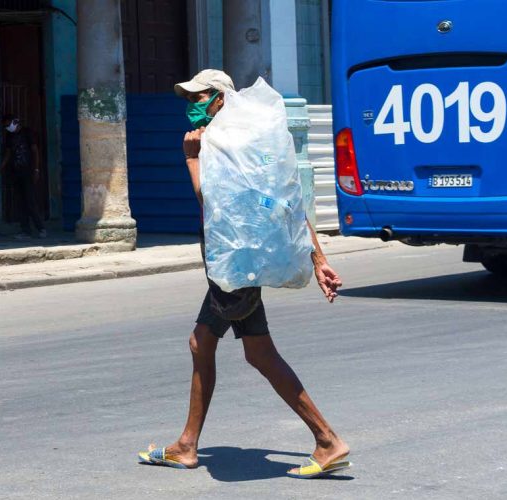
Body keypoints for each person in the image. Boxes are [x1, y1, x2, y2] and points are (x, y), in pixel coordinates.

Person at [138, 69, 350, 479]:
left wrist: (190, 157)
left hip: (234, 265)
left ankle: (327, 440)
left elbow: (210, 199)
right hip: (241, 262)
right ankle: (187, 444)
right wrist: (318, 258)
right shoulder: (249, 140)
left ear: (219, 99)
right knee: (221, 346)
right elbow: (286, 200)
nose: (191, 106)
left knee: (239, 349)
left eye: (197, 97)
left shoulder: (221, 142)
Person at [0, 115, 46, 239]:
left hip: (28, 172)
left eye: (8, 124)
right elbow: (7, 156)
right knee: (20, 203)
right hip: (16, 173)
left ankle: (41, 228)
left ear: (15, 122)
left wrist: (36, 169)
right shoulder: (10, 137)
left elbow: (35, 151)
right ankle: (26, 231)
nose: (7, 127)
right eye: (5, 126)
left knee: (30, 201)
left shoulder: (28, 133)